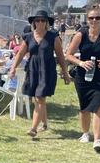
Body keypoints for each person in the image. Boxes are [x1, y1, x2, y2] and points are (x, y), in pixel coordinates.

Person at [65, 5, 100, 153]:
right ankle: (85, 133)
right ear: (87, 19)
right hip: (83, 77)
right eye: (91, 18)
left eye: (97, 18)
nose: (94, 20)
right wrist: (81, 63)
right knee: (84, 108)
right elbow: (68, 55)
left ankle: (97, 140)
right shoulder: (80, 35)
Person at [9, 9, 70, 137]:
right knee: (37, 100)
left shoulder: (53, 37)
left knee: (40, 98)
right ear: (34, 22)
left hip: (47, 71)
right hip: (32, 70)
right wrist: (13, 68)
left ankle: (33, 128)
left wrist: (65, 72)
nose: (40, 22)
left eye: (43, 20)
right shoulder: (28, 37)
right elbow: (20, 53)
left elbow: (60, 56)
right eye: (37, 20)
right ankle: (45, 124)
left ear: (47, 22)